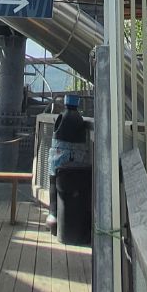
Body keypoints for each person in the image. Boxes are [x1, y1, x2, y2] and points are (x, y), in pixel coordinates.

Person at [47, 92, 90, 227]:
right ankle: (69, 219)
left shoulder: (63, 116)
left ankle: (53, 214)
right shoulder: (78, 118)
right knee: (72, 188)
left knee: (54, 182)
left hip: (58, 155)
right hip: (75, 158)